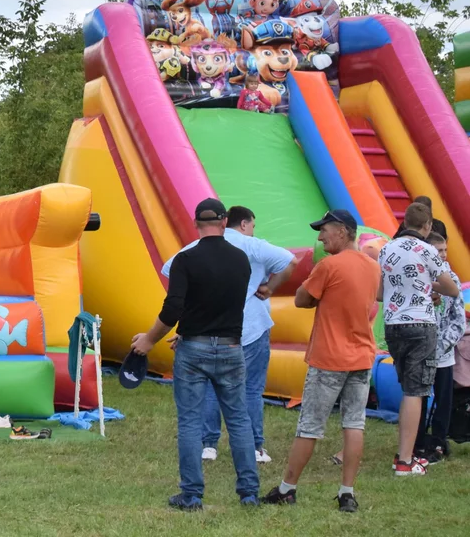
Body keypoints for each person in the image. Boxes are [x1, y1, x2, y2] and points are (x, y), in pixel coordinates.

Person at [132, 198, 259, 510]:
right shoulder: (241, 259)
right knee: (239, 420)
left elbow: (174, 307)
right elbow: (222, 302)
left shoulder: (185, 260)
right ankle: (249, 493)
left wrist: (149, 340)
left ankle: (191, 496)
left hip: (193, 349)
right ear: (225, 220)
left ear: (195, 224)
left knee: (190, 421)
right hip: (231, 346)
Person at [262, 209, 380, 513]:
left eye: (324, 230)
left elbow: (302, 299)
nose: (319, 237)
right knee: (354, 423)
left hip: (329, 357)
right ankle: (347, 493)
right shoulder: (372, 267)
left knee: (310, 425)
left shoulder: (328, 265)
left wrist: (316, 291)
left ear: (342, 231)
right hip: (362, 356)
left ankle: (287, 489)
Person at [160, 205, 298, 464]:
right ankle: (255, 447)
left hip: (209, 329)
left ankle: (208, 444)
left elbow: (170, 270)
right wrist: (269, 288)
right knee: (251, 390)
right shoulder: (252, 245)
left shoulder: (193, 249)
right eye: (253, 225)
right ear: (242, 224)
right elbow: (291, 260)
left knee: (210, 386)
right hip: (250, 327)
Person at [377, 202, 460, 475]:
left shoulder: (386, 249)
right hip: (421, 323)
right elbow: (451, 288)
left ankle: (404, 451)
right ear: (427, 226)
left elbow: (379, 292)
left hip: (393, 324)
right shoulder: (427, 250)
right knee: (416, 392)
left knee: (406, 390)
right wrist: (428, 284)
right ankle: (405, 460)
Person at [414, 232, 466, 462]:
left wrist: (442, 345)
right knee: (418, 397)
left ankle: (438, 442)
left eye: (445, 250)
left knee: (444, 399)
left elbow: (458, 320)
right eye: (438, 251)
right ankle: (415, 441)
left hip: (443, 354)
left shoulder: (451, 279)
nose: (443, 255)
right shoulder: (415, 278)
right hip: (419, 351)